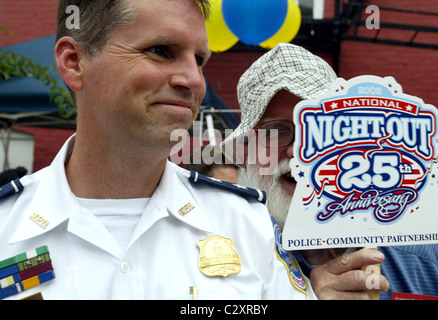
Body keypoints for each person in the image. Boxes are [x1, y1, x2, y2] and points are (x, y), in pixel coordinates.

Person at [0, 1, 316, 300]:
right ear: (73, 62)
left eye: (200, 60)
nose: (194, 80)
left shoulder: (248, 224)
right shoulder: (6, 225)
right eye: (161, 51)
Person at [222, 42, 438, 300]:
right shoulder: (224, 263)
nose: (299, 153)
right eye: (276, 131)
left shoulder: (428, 261)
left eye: (316, 129)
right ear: (246, 152)